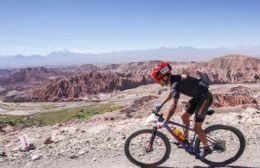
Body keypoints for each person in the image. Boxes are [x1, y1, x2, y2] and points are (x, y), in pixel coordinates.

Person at [150, 61, 213, 157]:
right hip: (198, 98)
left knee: (196, 127)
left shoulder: (175, 83)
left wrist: (165, 121)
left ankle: (206, 148)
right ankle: (185, 140)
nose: (157, 82)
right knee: (184, 117)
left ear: (164, 76)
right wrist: (161, 104)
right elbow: (171, 94)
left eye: (157, 80)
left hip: (204, 98)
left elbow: (173, 106)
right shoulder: (174, 79)